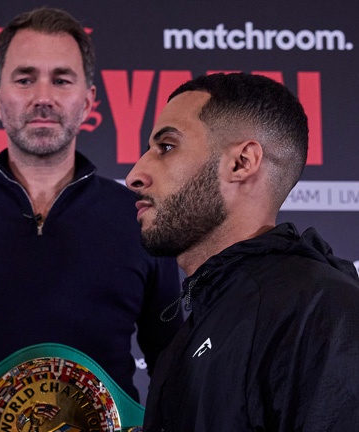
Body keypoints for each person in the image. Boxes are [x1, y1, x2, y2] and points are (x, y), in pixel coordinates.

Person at [0, 7, 183, 403]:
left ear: (88, 101)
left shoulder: (141, 218)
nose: (43, 98)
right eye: (25, 79)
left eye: (61, 80)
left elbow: (172, 371)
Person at [125, 72, 359, 431]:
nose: (135, 174)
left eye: (166, 147)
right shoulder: (194, 331)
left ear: (241, 163)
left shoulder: (322, 311)